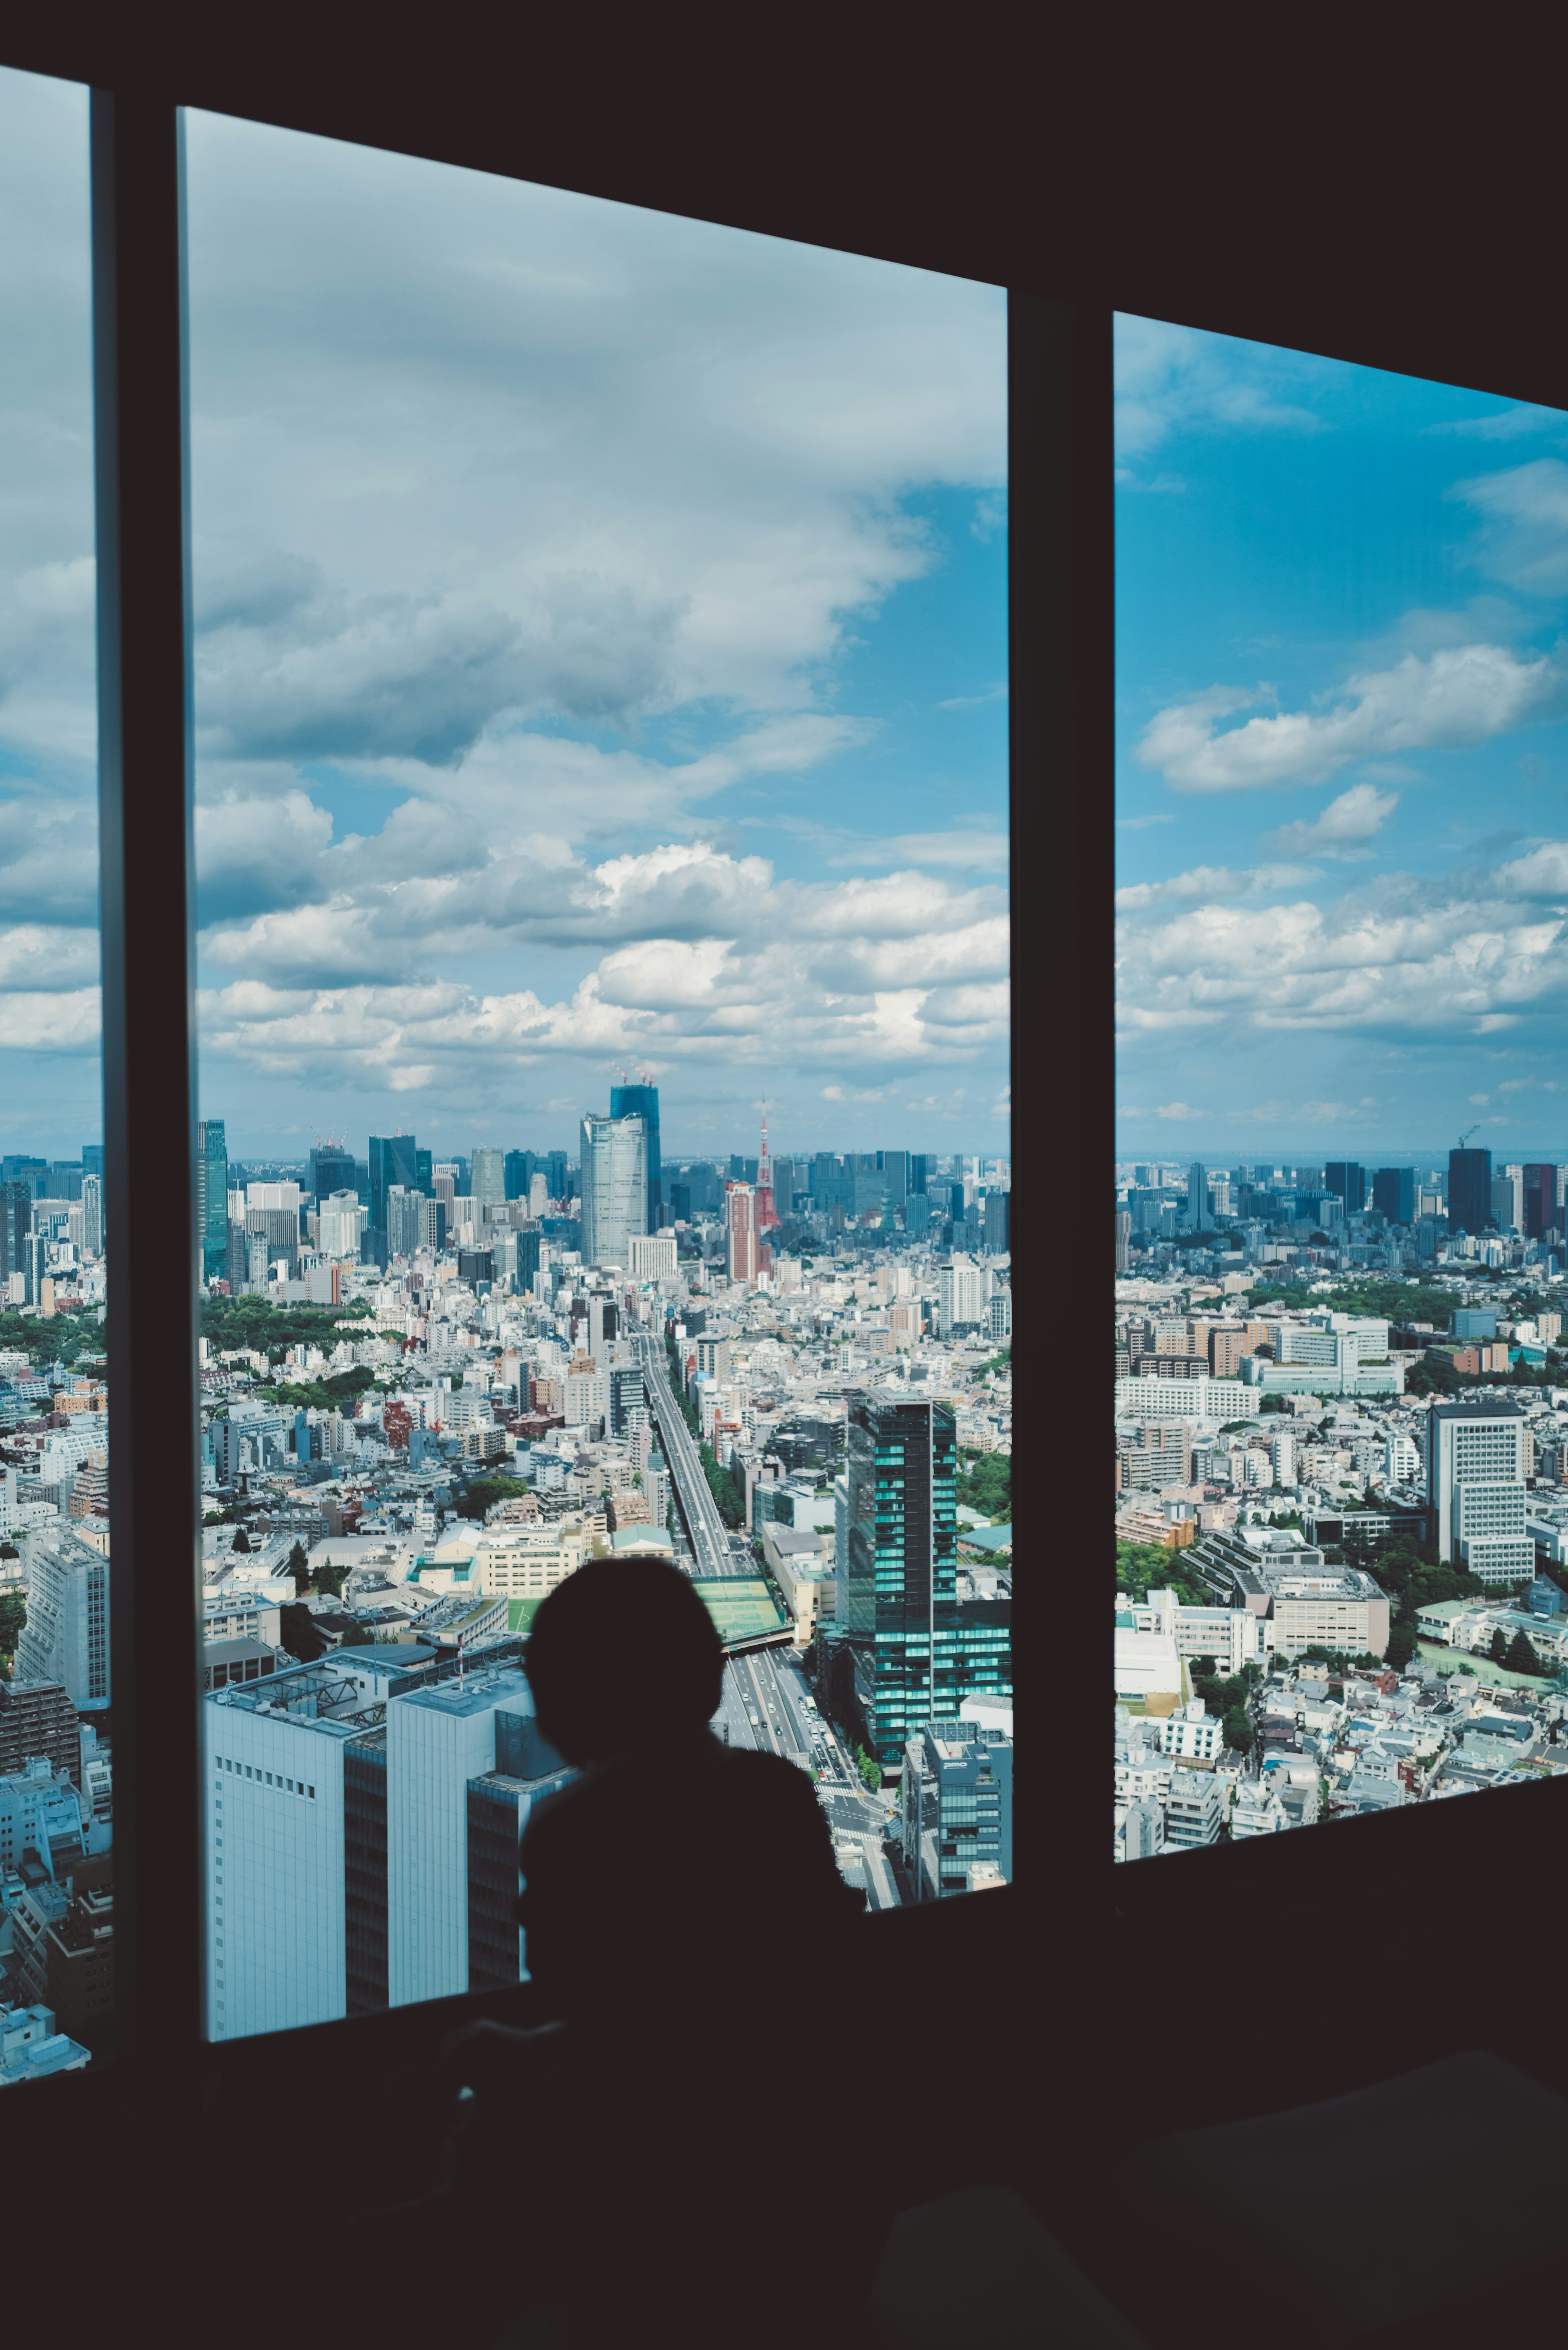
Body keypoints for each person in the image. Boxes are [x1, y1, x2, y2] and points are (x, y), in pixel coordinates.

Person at [445, 1555, 869, 2347]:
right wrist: (544, 2046)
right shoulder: (777, 1795)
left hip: (657, 2255)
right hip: (816, 2217)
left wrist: (529, 2076)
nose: (527, 1912)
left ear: (572, 1702)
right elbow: (710, 2024)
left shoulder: (577, 1826)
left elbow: (634, 2048)